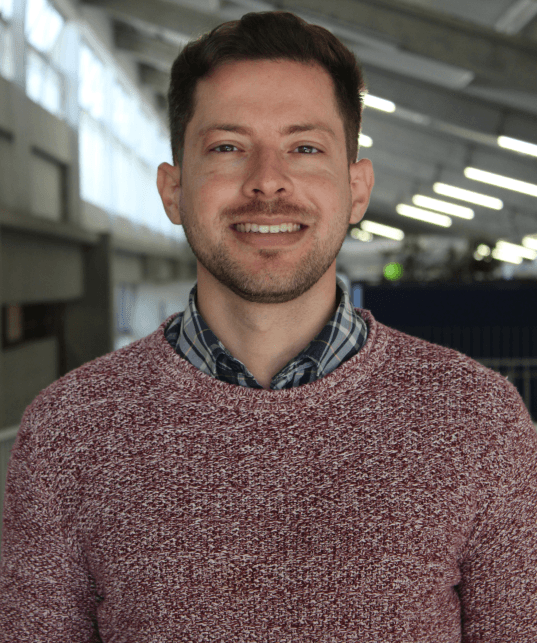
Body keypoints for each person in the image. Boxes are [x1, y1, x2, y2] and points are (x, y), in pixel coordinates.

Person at [1, 10, 536, 642]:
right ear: (172, 190)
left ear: (357, 189)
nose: (267, 183)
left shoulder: (477, 421)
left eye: (305, 148)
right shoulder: (68, 431)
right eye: (227, 147)